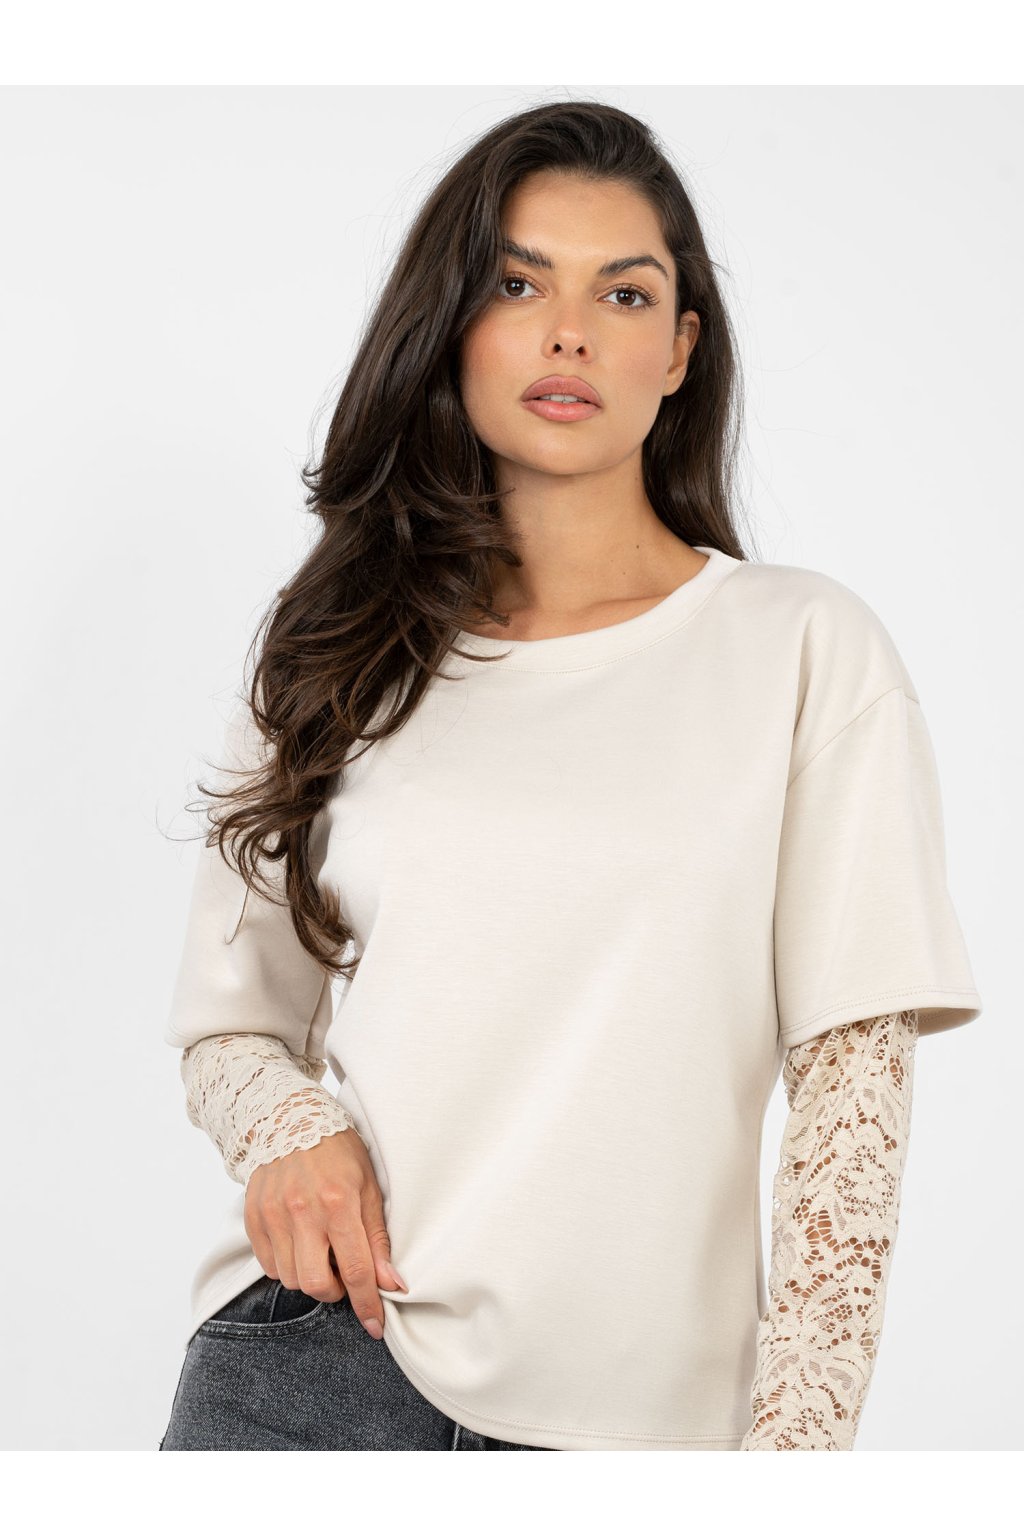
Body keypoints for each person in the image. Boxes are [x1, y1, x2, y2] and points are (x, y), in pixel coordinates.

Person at [158, 100, 982, 1453]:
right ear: (453, 324)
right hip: (319, 1371)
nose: (569, 333)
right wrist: (292, 1134)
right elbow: (231, 1024)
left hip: (641, 1430)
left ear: (681, 350)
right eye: (518, 283)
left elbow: (851, 1110)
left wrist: (795, 1469)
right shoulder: (337, 651)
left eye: (624, 292)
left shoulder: (802, 650)